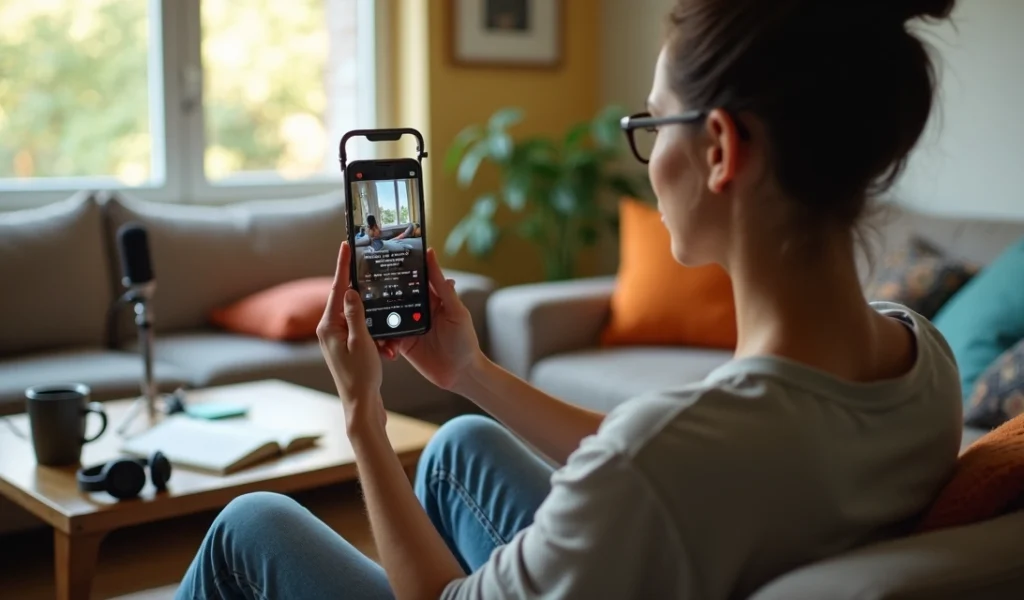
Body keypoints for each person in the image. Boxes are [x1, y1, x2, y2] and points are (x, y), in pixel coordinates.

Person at [174, 0, 963, 598]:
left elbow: (643, 467)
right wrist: (469, 372)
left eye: (652, 125)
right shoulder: (924, 361)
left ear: (720, 149)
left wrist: (363, 418)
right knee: (459, 446)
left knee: (252, 525)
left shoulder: (665, 458)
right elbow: (659, 456)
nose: (649, 158)